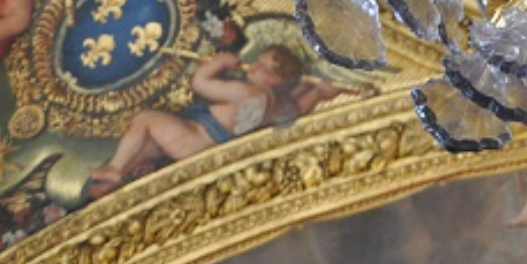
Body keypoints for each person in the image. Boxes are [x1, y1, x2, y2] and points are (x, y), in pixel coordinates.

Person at [85, 47, 344, 194]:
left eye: (264, 68)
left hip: (192, 136)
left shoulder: (248, 92)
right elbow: (298, 109)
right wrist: (320, 93)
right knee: (145, 147)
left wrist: (219, 63)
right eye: (258, 61)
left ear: (276, 80)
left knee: (144, 119)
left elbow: (199, 83)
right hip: (202, 148)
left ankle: (115, 168)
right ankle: (108, 187)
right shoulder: (274, 106)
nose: (254, 67)